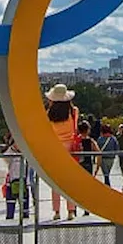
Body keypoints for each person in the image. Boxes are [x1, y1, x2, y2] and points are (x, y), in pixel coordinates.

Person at [44, 84, 80, 221]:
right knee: (70, 182)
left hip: (54, 148)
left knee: (56, 182)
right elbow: (75, 129)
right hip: (70, 148)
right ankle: (71, 211)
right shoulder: (73, 112)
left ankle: (56, 211)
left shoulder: (49, 113)